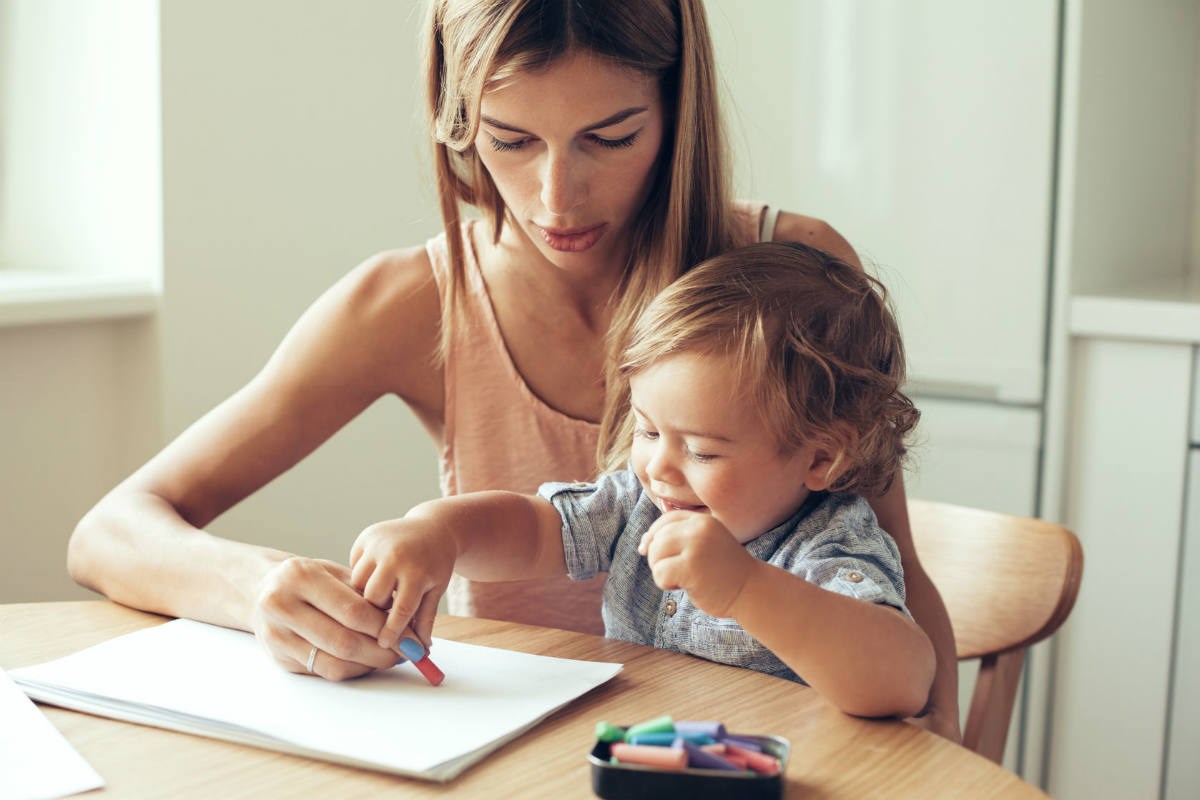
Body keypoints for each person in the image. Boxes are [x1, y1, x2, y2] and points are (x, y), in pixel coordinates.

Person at [66, 0, 961, 738]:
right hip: (503, 762)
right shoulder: (408, 301)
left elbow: (900, 595)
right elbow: (109, 531)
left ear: (678, 108)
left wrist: (937, 765)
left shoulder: (792, 284)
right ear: (457, 120)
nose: (555, 199)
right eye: (510, 139)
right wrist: (262, 589)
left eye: (610, 138)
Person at [350, 242, 935, 718]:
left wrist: (745, 588)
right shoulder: (642, 504)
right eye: (648, 431)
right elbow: (532, 530)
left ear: (819, 459)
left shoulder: (829, 543)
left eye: (702, 451)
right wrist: (439, 533)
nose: (658, 466)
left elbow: (901, 680)